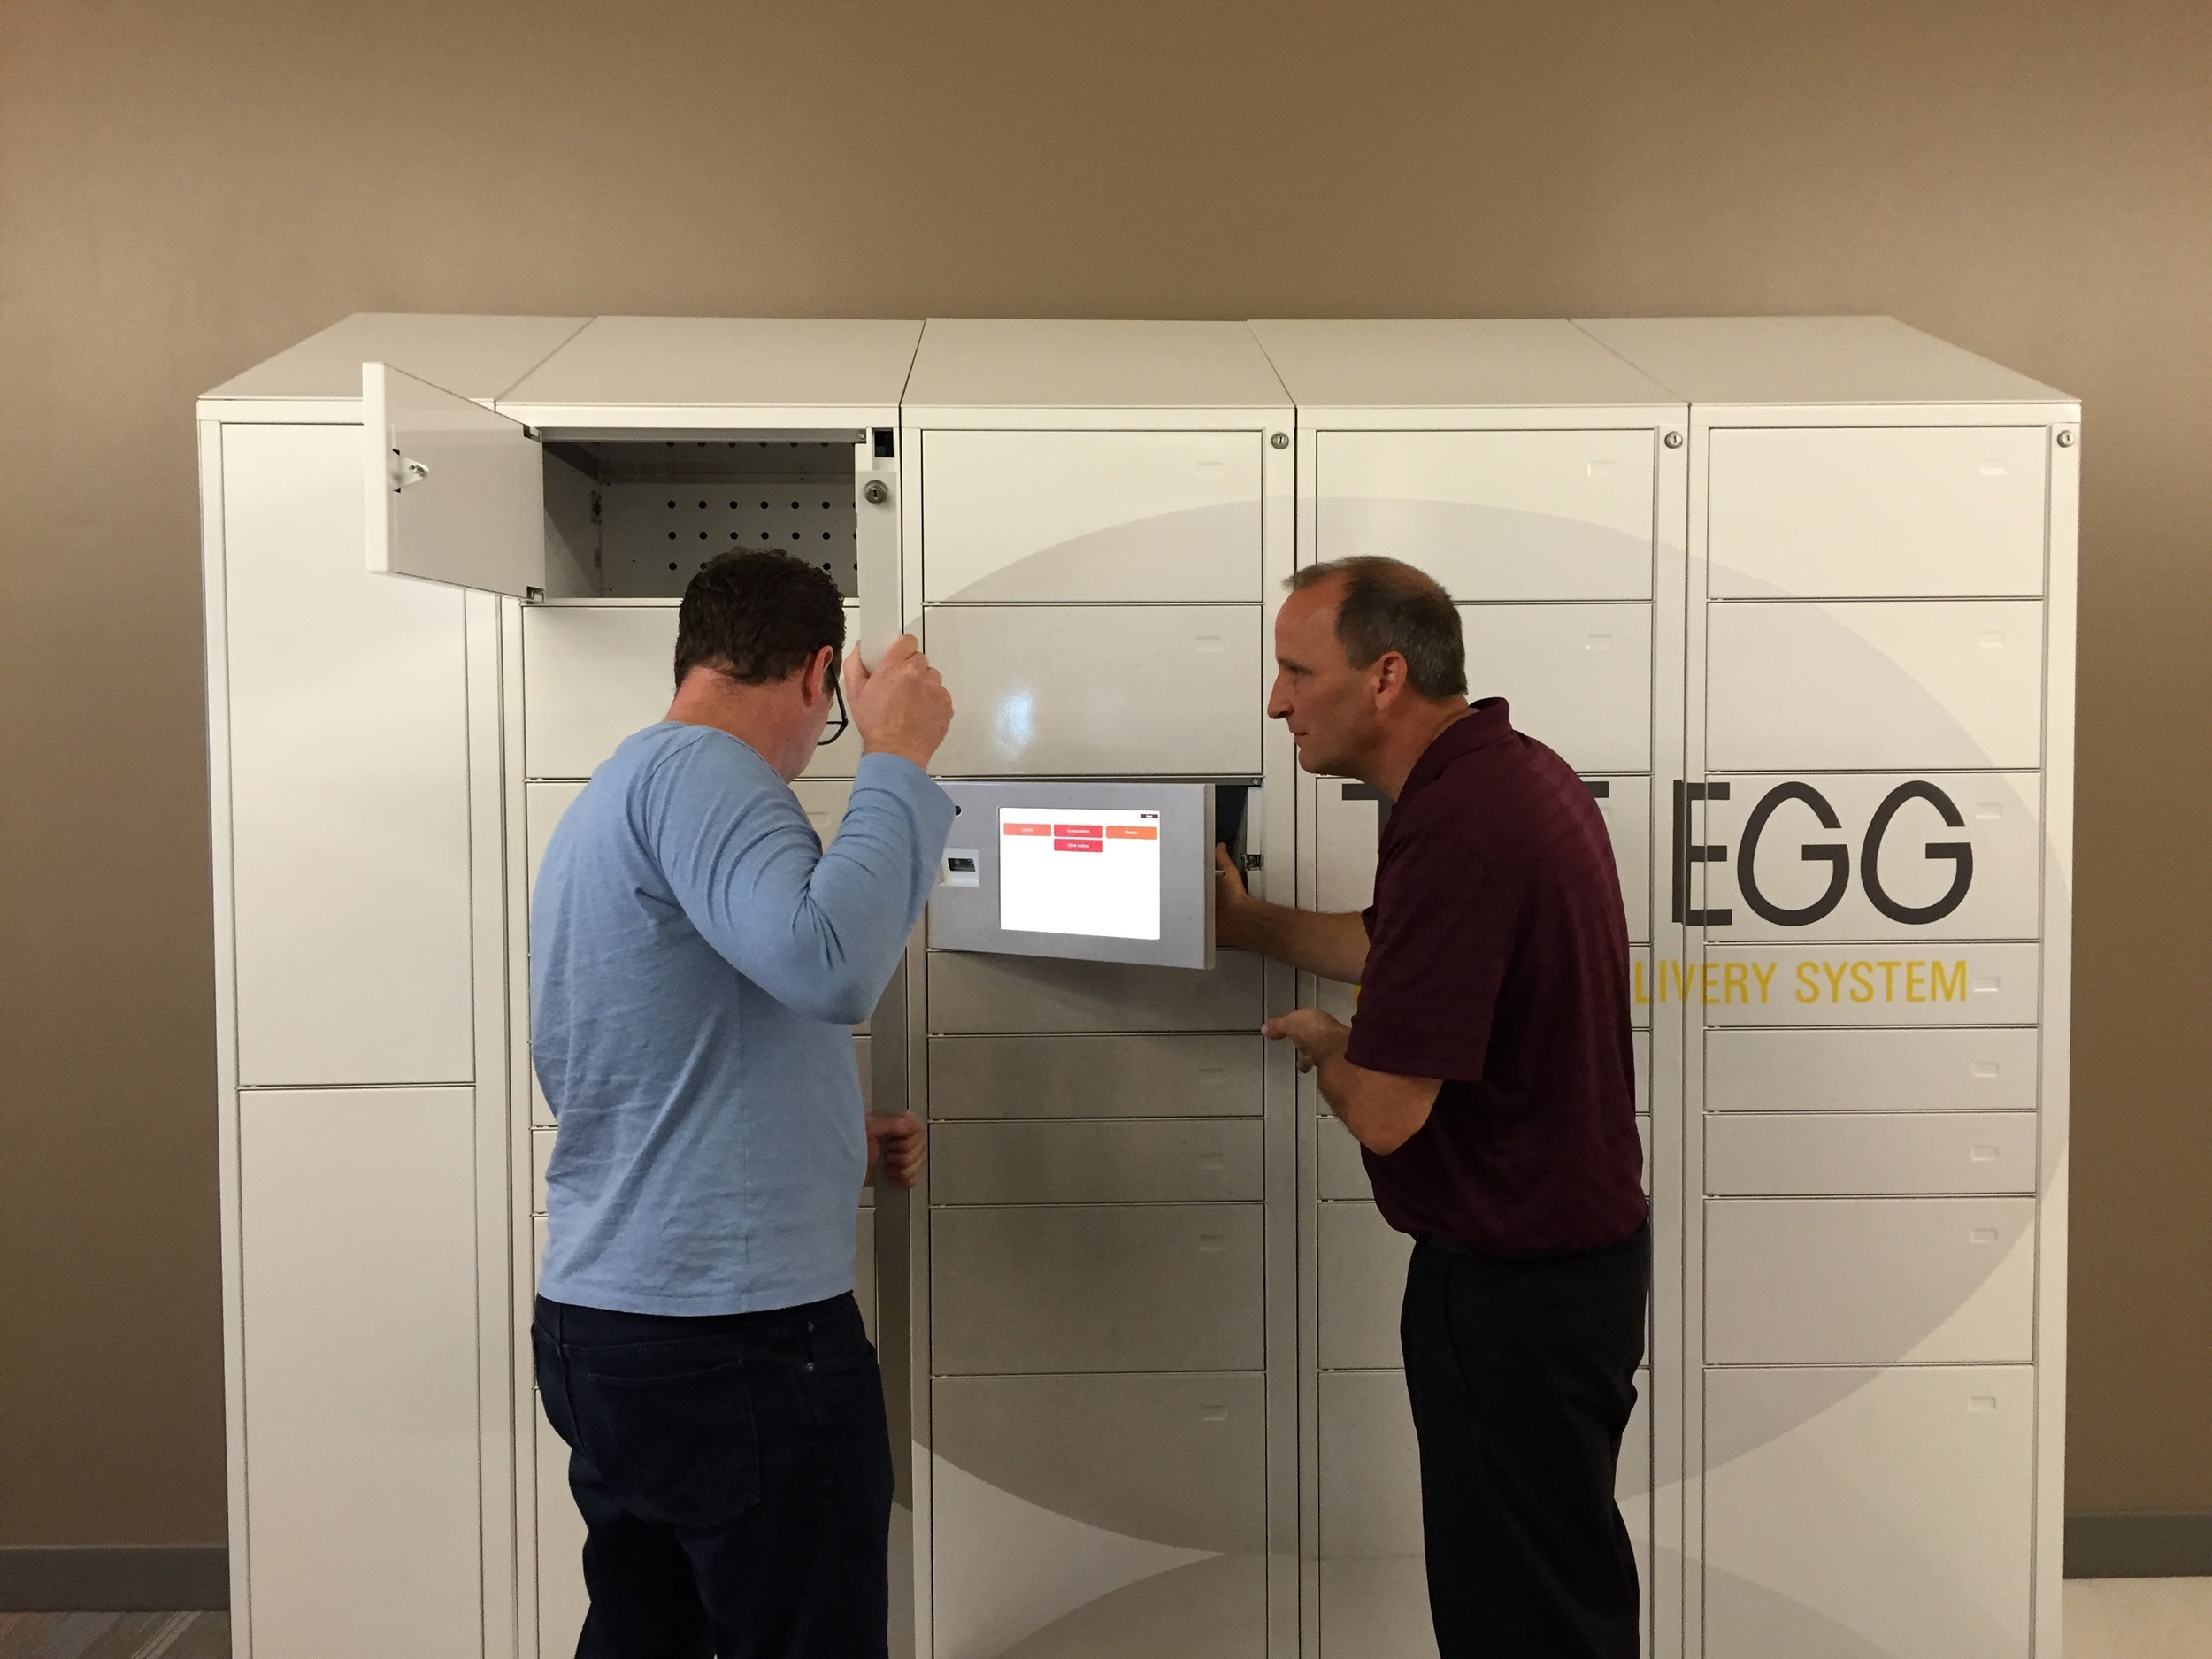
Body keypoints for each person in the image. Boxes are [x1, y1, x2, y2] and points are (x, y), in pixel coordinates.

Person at [1217, 555, 1649, 1658]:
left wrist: (1327, 1048)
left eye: (1293, 670)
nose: (1275, 702)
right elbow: (1391, 944)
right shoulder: (1505, 774)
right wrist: (1254, 925)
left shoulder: (1458, 826)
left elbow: (1386, 1114)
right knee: (1559, 1585)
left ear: (1384, 676)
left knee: (1516, 1616)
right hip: (1568, 1279)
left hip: (1512, 1299)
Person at [528, 549, 956, 1659]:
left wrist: (822, 1140)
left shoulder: (617, 794)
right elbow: (826, 965)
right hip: (736, 1344)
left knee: (645, 1634)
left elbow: (637, 1060)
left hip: (614, 1330)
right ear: (820, 675)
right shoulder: (711, 777)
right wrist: (897, 760)